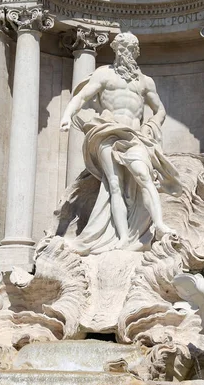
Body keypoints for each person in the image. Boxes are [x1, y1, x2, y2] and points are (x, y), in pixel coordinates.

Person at [60, 32, 181, 252]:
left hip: (135, 135)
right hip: (107, 132)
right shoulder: (104, 74)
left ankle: (160, 224)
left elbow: (160, 110)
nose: (127, 53)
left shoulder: (145, 82)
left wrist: (150, 125)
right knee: (114, 185)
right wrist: (67, 115)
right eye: (123, 48)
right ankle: (123, 237)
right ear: (117, 51)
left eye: (131, 49)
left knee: (144, 176)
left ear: (136, 52)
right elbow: (82, 97)